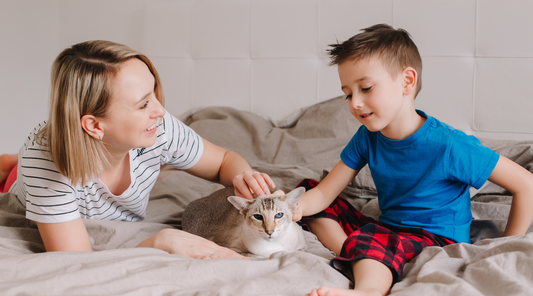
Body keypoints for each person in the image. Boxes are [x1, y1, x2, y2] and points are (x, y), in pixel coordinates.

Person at [292, 24, 533, 296]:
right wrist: (292, 206)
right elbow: (325, 192)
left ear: (407, 81)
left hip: (437, 240)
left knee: (376, 238)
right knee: (308, 190)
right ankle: (357, 251)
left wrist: (503, 246)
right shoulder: (367, 137)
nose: (355, 103)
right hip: (390, 230)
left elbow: (526, 184)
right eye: (348, 93)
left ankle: (368, 289)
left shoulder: (449, 144)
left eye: (366, 88)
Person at [0, 40, 279, 259]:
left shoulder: (160, 128)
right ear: (95, 126)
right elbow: (76, 262)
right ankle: (11, 166)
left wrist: (246, 177)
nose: (160, 110)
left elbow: (224, 161)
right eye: (143, 104)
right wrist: (160, 242)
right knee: (17, 173)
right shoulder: (46, 164)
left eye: (154, 93)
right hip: (36, 184)